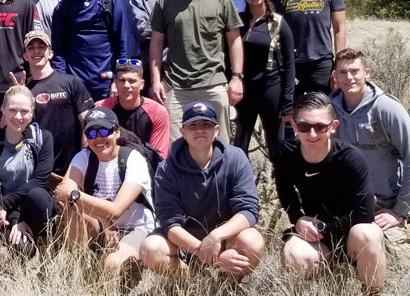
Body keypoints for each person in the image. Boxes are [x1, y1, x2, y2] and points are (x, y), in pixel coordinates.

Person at [273, 92, 385, 296]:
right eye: (304, 126)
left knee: (368, 234)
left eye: (320, 127)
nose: (312, 133)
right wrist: (297, 219)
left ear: (333, 126)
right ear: (294, 125)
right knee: (293, 253)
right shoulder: (286, 153)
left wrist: (325, 227)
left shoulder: (351, 159)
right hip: (315, 234)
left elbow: (365, 212)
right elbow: (285, 192)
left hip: (351, 230)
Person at [140, 101, 264, 280]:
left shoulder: (236, 158)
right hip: (185, 242)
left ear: (217, 130)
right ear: (183, 132)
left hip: (224, 237)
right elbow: (170, 224)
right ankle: (194, 283)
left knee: (252, 241)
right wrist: (204, 251)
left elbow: (248, 210)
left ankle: (227, 285)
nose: (199, 130)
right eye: (193, 125)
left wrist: (216, 236)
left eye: (206, 124)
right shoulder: (166, 168)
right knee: (150, 249)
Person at [331, 48, 410, 268]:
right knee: (331, 261)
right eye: (343, 72)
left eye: (354, 71)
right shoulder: (329, 109)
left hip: (385, 206)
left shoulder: (386, 108)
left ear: (367, 73)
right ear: (335, 76)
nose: (349, 77)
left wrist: (399, 211)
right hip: (346, 205)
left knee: (400, 266)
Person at [149, 0, 244, 141]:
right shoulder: (165, 1)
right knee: (176, 147)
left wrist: (236, 77)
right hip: (176, 88)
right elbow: (156, 44)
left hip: (214, 84)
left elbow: (234, 40)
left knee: (220, 144)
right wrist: (156, 80)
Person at [53, 107, 156, 277]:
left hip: (136, 227)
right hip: (103, 223)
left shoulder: (133, 159)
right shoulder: (84, 156)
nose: (98, 138)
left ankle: (131, 268)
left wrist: (75, 195)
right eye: (92, 134)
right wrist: (105, 221)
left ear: (116, 132)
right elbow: (62, 193)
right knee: (70, 207)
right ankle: (80, 264)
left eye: (104, 131)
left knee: (111, 265)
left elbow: (116, 210)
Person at [0, 86, 56, 258]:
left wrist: (7, 206)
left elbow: (40, 180)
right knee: (25, 251)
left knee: (38, 194)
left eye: (24, 111)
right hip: (6, 210)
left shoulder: (42, 138)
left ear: (32, 112)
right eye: (12, 110)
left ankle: (45, 243)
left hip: (35, 206)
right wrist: (14, 218)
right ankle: (21, 239)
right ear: (3, 109)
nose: (18, 117)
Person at [270, 0, 346, 99]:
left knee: (325, 110)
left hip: (321, 62)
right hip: (291, 63)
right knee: (290, 113)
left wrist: (340, 66)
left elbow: (340, 28)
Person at [232, 0, 294, 158]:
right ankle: (241, 183)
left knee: (276, 143)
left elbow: (290, 64)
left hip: (270, 88)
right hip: (244, 90)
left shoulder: (277, 23)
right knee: (240, 143)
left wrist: (288, 102)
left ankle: (282, 183)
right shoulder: (238, 21)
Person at [52, 0, 130, 101]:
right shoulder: (64, 7)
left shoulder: (111, 2)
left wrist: (119, 78)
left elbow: (123, 44)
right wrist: (61, 81)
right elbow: (58, 50)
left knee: (106, 124)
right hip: (74, 83)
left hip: (105, 82)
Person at [20, 30, 94, 175]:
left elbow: (89, 122)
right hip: (37, 171)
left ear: (50, 53)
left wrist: (82, 158)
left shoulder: (70, 82)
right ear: (25, 56)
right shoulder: (23, 90)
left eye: (41, 47)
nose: (36, 51)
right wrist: (19, 98)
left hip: (71, 169)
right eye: (31, 48)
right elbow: (7, 126)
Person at [131, 0, 180, 91]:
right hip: (150, 68)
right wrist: (173, 29)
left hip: (182, 67)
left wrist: (156, 28)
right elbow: (142, 32)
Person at [95, 61, 170, 158]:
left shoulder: (158, 112)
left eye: (132, 81)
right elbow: (94, 145)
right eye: (122, 80)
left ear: (142, 84)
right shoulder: (101, 108)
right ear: (115, 83)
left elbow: (158, 155)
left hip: (145, 165)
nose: (126, 85)